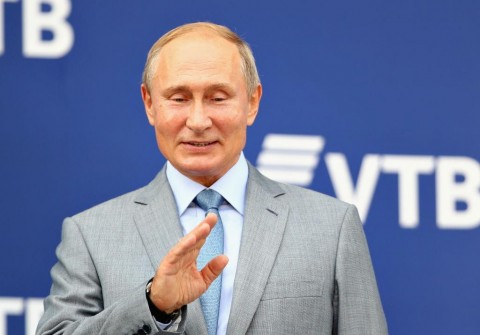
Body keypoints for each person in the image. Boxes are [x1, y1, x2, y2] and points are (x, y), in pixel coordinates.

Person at [36, 22, 388, 335]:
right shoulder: (91, 234)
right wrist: (153, 306)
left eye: (218, 98)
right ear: (149, 104)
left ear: (252, 102)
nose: (199, 120)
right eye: (179, 98)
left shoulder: (331, 227)